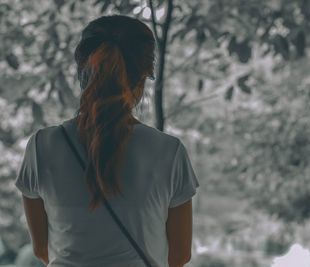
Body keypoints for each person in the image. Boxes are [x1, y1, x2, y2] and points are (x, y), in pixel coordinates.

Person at [14, 15, 200, 267]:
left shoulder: (42, 146)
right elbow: (179, 256)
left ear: (82, 71)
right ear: (143, 77)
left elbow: (42, 249)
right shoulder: (169, 152)